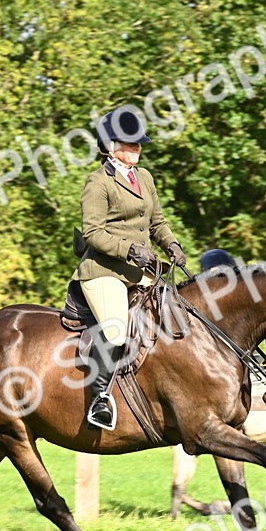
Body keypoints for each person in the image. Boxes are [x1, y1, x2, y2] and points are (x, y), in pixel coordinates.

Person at [74, 107, 186, 431]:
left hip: (143, 270)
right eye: (130, 143)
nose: (137, 148)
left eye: (139, 144)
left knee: (177, 318)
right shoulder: (97, 182)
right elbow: (93, 232)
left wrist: (172, 245)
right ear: (109, 147)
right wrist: (130, 250)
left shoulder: (145, 178)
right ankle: (100, 401)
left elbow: (158, 222)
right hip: (104, 271)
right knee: (116, 330)